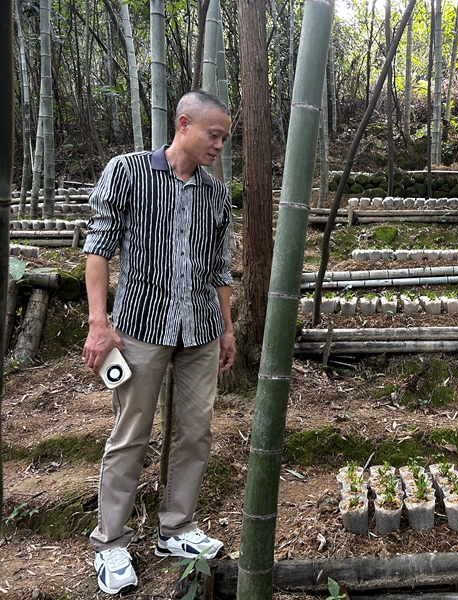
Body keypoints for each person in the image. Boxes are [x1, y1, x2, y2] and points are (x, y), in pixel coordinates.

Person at [82, 89, 236, 595]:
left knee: (196, 431)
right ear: (184, 124)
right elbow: (99, 247)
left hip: (200, 330)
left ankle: (176, 528)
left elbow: (218, 269)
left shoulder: (216, 193)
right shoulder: (127, 172)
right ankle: (110, 541)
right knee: (131, 433)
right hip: (139, 328)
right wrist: (98, 324)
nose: (219, 146)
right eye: (214, 135)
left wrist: (228, 328)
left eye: (224, 139)